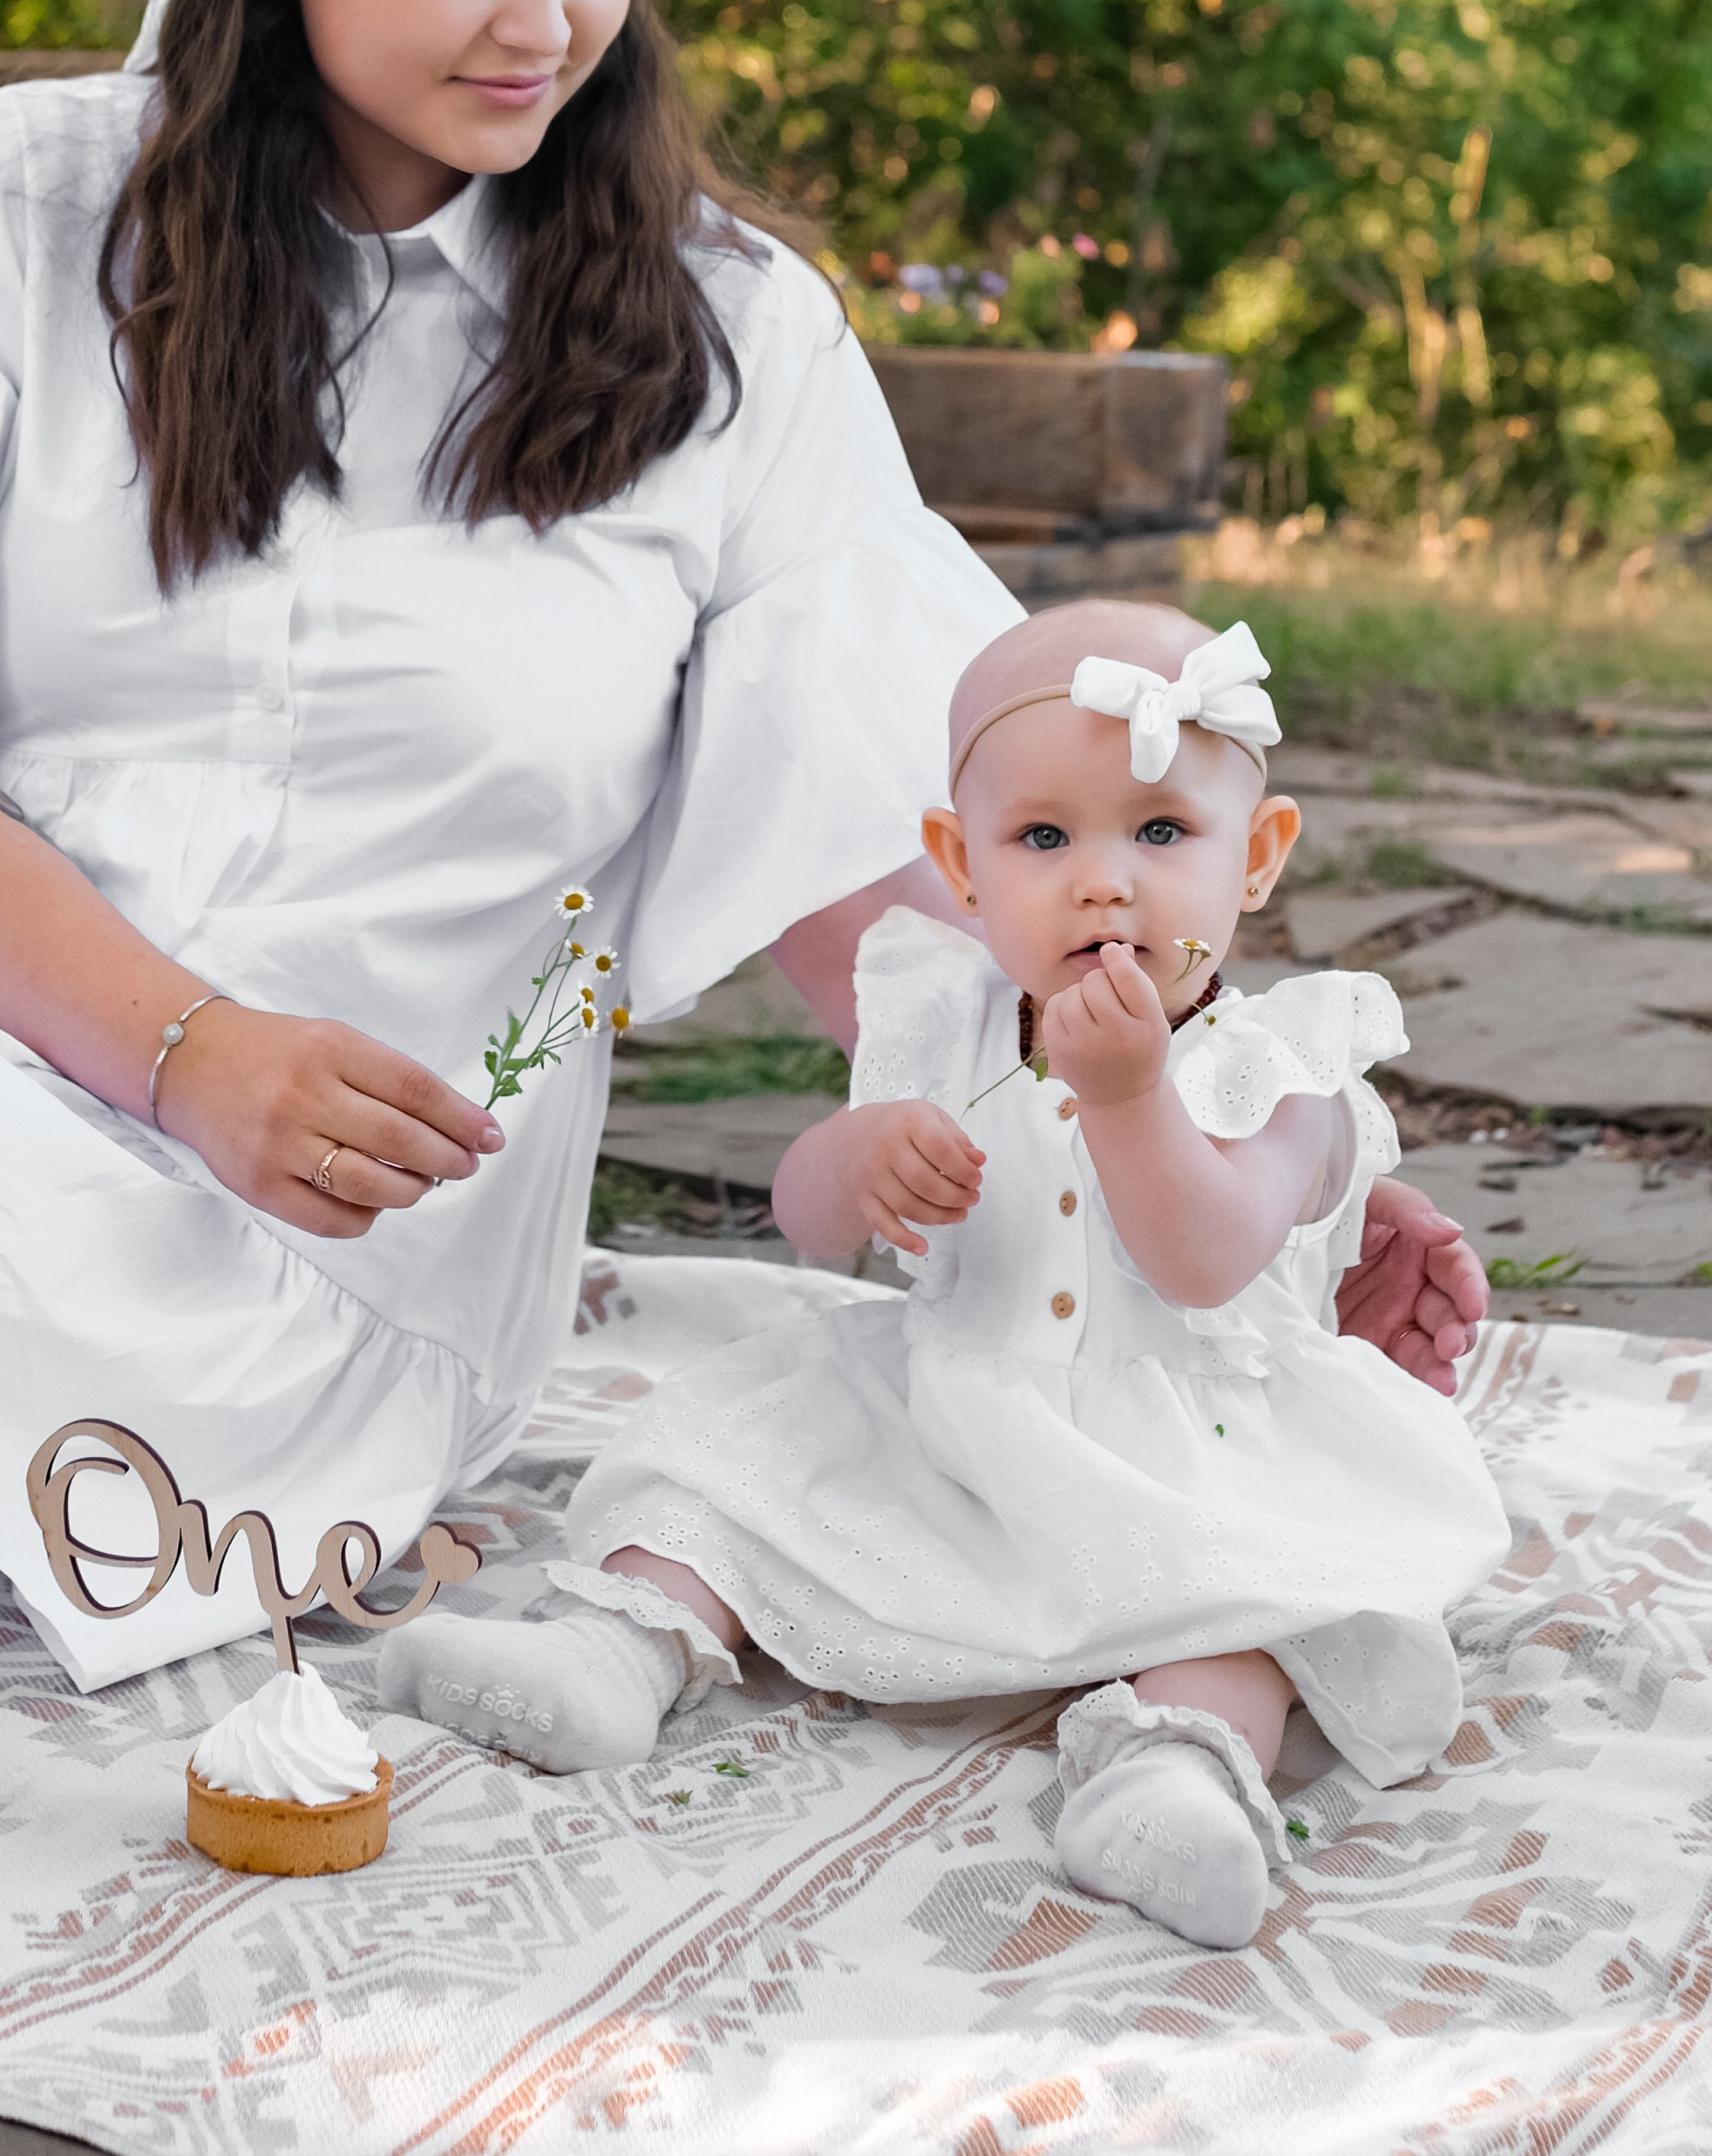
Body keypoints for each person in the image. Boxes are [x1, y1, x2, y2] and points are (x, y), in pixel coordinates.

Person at [0, 0, 1484, 1690]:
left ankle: (106, 1453)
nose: (542, 21)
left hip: (322, 1251)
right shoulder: (10, 204)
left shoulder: (728, 340)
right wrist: (186, 1048)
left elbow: (946, 863)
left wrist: (1257, 1183)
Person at [384, 604, 1510, 1953]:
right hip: (956, 1418)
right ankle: (618, 1650)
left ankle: (1177, 1772)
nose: (1104, 882)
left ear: (1255, 859)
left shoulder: (1285, 1067)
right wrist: (853, 1159)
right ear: (959, 867)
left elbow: (1202, 1262)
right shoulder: (943, 1013)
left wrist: (1133, 1098)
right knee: (731, 1473)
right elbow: (807, 1225)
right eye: (1044, 838)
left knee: (1260, 1602)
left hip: (1192, 1446)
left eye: (1160, 833)